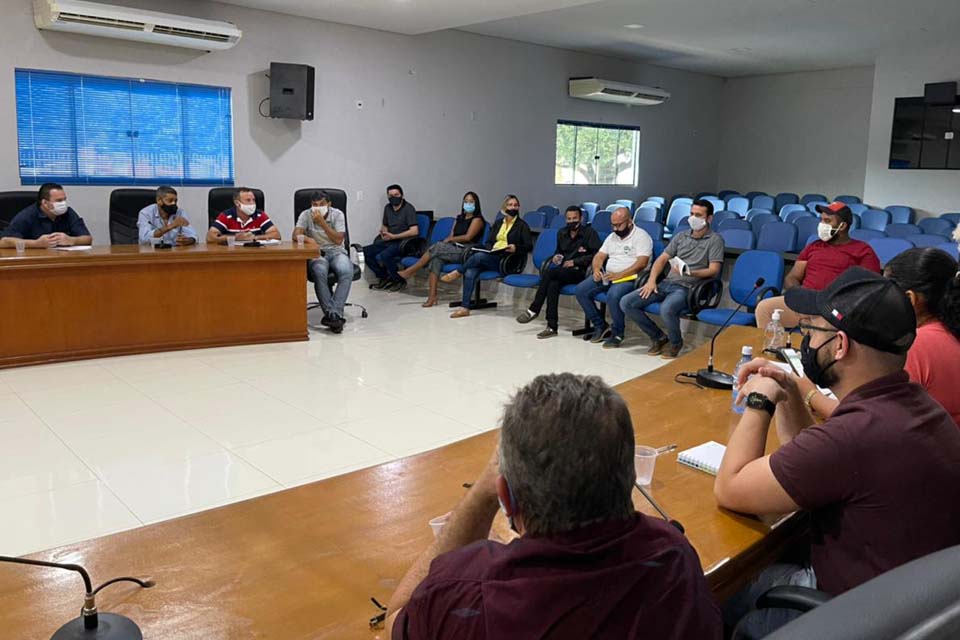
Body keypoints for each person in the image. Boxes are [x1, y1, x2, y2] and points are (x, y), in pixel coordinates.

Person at [715, 267, 960, 637]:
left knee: (716, 589)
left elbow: (731, 488)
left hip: (853, 612)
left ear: (841, 345)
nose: (806, 342)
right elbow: (813, 458)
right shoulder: (912, 403)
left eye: (812, 331)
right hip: (904, 600)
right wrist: (790, 391)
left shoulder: (856, 434)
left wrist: (759, 400)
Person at [386, 373, 722, 640]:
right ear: (629, 474)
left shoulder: (465, 594)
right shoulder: (673, 553)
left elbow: (397, 616)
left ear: (506, 495)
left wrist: (480, 494)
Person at [799, 247, 960, 426]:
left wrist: (807, 392)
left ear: (909, 299)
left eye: (887, 290)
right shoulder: (949, 331)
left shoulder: (916, 345)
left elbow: (866, 419)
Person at [621, 199, 723, 358]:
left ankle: (675, 343)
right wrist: (651, 280)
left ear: (709, 218)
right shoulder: (681, 236)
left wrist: (690, 273)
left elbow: (714, 270)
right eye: (691, 214)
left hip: (688, 288)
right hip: (665, 283)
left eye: (698, 215)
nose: (693, 218)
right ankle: (658, 337)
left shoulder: (715, 240)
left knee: (666, 308)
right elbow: (661, 260)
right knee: (627, 302)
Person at [755, 201, 881, 330]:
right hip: (805, 302)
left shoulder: (863, 250)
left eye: (827, 221)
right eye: (821, 220)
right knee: (764, 309)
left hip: (835, 308)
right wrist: (799, 293)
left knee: (824, 329)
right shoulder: (813, 246)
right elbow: (792, 277)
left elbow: (870, 289)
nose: (821, 225)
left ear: (842, 226)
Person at [517, 206, 601, 338]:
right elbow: (559, 251)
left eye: (575, 218)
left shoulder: (590, 233)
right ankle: (551, 326)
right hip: (562, 271)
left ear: (581, 218)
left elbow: (597, 255)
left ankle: (534, 308)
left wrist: (576, 262)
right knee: (552, 285)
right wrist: (557, 257)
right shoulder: (562, 233)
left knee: (550, 274)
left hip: (580, 272)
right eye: (569, 219)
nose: (571, 221)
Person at [574, 207, 653, 348]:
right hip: (609, 276)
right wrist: (597, 269)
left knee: (613, 294)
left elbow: (642, 263)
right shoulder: (612, 237)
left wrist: (619, 275)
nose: (615, 228)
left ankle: (617, 333)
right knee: (581, 290)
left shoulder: (641, 236)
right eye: (613, 225)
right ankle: (600, 325)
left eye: (619, 225)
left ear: (629, 221)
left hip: (630, 278)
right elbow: (599, 256)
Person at [442, 195, 533, 318]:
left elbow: (528, 246)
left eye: (515, 205)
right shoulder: (498, 223)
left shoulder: (522, 225)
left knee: (479, 257)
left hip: (507, 261)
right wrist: (492, 248)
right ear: (504, 207)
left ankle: (458, 271)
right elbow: (489, 241)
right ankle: (465, 307)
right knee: (471, 271)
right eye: (510, 205)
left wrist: (515, 247)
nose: (513, 207)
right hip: (494, 255)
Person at [397, 192, 485, 307]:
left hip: (466, 252)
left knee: (437, 246)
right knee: (436, 259)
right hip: (454, 249)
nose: (468, 204)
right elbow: (452, 234)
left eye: (471, 202)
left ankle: (411, 270)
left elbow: (468, 237)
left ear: (476, 204)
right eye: (466, 201)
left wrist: (450, 239)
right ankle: (432, 296)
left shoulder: (477, 220)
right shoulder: (459, 218)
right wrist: (451, 239)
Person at [294, 191, 352, 334]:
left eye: (321, 204)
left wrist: (322, 224)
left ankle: (332, 314)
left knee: (346, 271)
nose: (317, 208)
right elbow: (295, 235)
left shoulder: (337, 214)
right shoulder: (306, 214)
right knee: (319, 272)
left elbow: (338, 239)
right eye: (315, 205)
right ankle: (334, 316)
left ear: (329, 204)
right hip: (317, 253)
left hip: (336, 251)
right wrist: (308, 240)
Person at [0, 183, 92, 248]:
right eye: (59, 201)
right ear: (44, 203)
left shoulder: (68, 213)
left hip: (62, 259)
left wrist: (72, 240)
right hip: (34, 262)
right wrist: (36, 243)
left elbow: (88, 239)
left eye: (64, 200)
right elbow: (4, 242)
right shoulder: (27, 215)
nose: (63, 204)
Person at [363, 184, 419, 292]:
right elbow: (385, 225)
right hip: (389, 240)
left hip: (404, 242)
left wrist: (394, 236)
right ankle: (384, 277)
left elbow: (414, 231)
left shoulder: (409, 208)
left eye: (396, 195)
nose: (394, 197)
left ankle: (398, 280)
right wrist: (384, 232)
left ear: (401, 195)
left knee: (385, 255)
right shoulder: (387, 208)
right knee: (364, 252)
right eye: (391, 195)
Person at [206, 187, 280, 244]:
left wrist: (254, 238)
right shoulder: (226, 216)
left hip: (254, 254)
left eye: (253, 200)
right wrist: (235, 238)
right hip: (231, 254)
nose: (252, 203)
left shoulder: (259, 215)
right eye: (248, 200)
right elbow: (210, 237)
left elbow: (276, 235)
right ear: (237, 203)